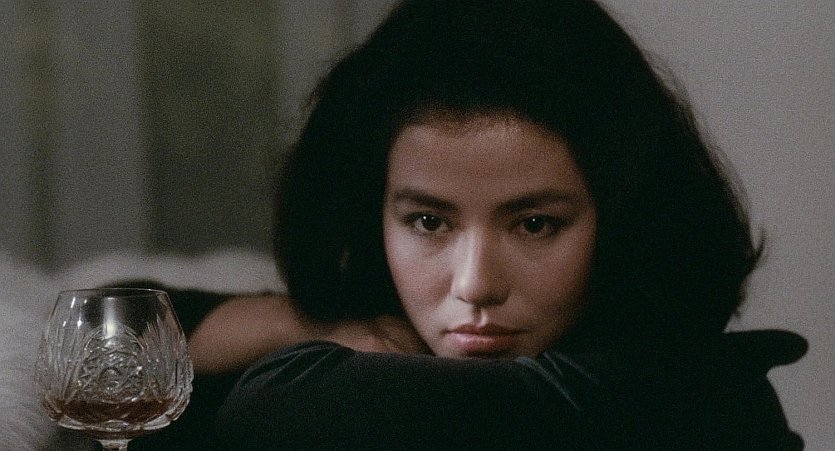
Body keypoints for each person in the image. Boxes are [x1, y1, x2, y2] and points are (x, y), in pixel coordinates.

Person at [130, 0, 807, 449]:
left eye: (535, 224)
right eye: (429, 221)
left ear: (624, 218)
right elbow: (105, 331)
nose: (476, 285)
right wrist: (315, 323)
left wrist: (308, 338)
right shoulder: (370, 339)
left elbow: (282, 406)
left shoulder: (697, 396)